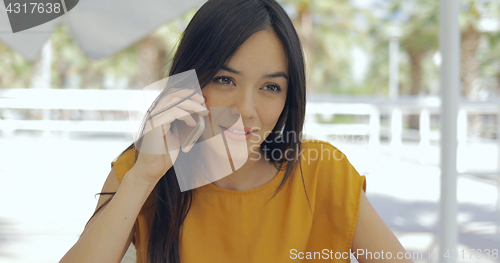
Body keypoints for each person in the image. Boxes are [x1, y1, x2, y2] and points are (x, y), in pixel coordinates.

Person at [60, 0, 413, 262]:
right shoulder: (141, 169)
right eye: (225, 79)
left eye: (270, 87)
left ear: (290, 97)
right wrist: (143, 177)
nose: (246, 109)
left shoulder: (322, 172)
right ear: (190, 82)